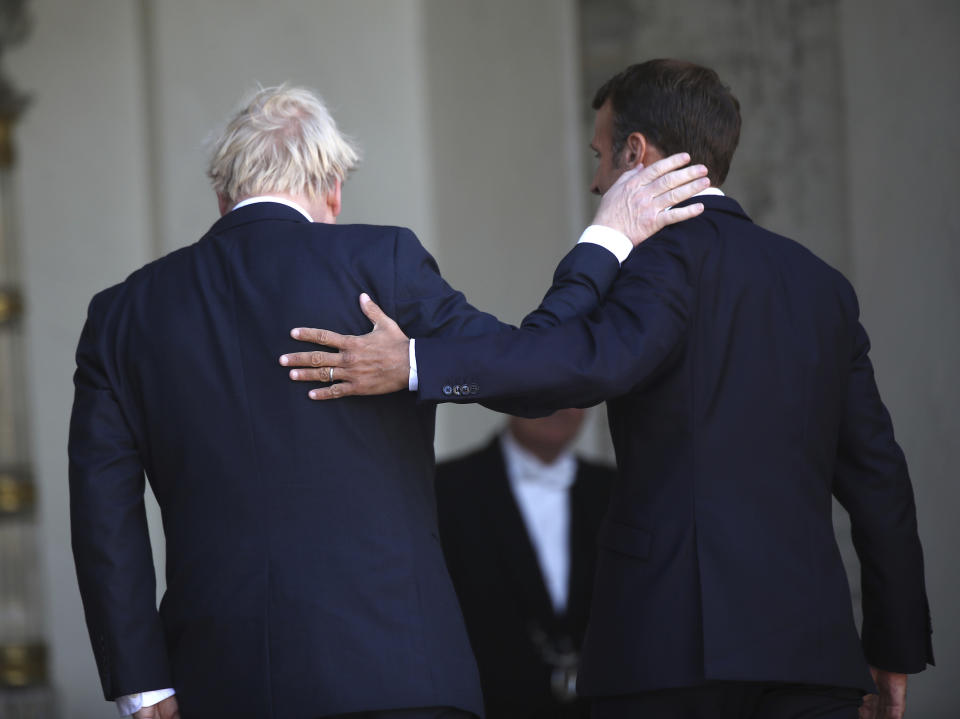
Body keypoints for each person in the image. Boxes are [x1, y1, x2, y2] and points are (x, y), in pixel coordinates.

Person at [281, 60, 933, 719]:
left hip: (672, 652)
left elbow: (564, 366)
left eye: (599, 155)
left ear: (636, 152)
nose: (596, 179)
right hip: (811, 657)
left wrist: (417, 360)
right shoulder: (823, 287)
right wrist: (895, 641)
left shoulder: (656, 261)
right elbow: (880, 479)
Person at [68, 84, 709, 718]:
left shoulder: (123, 314)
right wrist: (608, 240)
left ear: (223, 193)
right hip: (397, 676)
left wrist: (143, 686)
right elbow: (536, 376)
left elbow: (104, 516)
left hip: (216, 682)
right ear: (332, 188)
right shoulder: (381, 262)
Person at [435, 409, 615, 719]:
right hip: (489, 704)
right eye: (545, 391)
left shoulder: (615, 489)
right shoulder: (446, 487)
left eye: (573, 394)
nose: (558, 406)